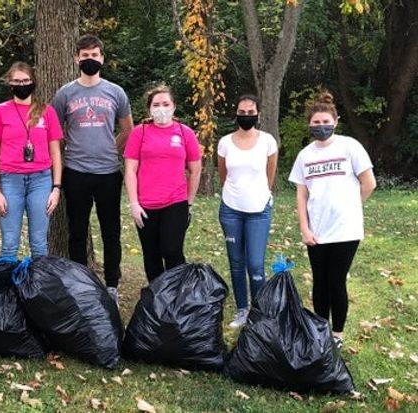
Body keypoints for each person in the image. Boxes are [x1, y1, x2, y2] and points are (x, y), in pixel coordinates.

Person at [288, 91, 376, 349]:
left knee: (336, 281)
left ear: (335, 121)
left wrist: (351, 206)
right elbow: (302, 195)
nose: (320, 126)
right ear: (309, 125)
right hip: (317, 230)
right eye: (315, 123)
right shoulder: (305, 155)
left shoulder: (350, 147)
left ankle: (336, 335)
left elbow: (369, 183)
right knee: (319, 281)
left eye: (325, 121)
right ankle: (319, 330)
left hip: (345, 230)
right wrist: (304, 228)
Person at [51, 34, 133, 302]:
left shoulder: (115, 92)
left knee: (111, 231)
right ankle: (80, 284)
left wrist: (111, 146)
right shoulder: (65, 93)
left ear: (102, 58)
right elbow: (53, 132)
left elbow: (128, 129)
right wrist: (65, 152)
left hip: (109, 172)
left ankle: (111, 285)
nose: (90, 60)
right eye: (85, 55)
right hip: (76, 172)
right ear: (76, 58)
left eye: (94, 55)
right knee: (77, 231)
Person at [0, 62, 63, 258]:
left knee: (39, 243)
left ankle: (37, 287)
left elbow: (56, 153)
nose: (22, 84)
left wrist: (56, 188)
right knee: (9, 243)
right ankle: (8, 286)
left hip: (41, 180)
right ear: (10, 84)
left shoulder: (47, 111)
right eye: (17, 81)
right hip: (10, 180)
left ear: (33, 82)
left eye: (26, 80)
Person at [124, 85, 202, 282]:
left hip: (175, 202)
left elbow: (195, 170)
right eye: (156, 104)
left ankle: (178, 296)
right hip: (145, 205)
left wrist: (188, 203)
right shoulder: (139, 133)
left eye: (166, 104)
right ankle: (157, 300)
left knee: (172, 251)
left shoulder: (185, 133)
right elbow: (131, 170)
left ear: (174, 107)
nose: (161, 108)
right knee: (151, 256)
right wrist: (134, 203)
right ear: (149, 109)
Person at [217, 94, 278, 329]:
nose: (246, 116)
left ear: (258, 114)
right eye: (241, 113)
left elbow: (269, 174)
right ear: (236, 114)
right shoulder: (225, 142)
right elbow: (223, 175)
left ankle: (259, 312)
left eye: (250, 112)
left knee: (255, 264)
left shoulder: (268, 141)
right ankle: (242, 310)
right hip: (231, 210)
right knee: (236, 262)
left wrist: (262, 194)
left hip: (259, 210)